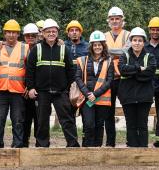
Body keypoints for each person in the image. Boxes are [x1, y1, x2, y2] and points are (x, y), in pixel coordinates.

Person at [26, 18, 80, 147]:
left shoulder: (63, 49)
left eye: (54, 31)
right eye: (48, 31)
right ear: (43, 33)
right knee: (42, 121)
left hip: (61, 92)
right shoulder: (36, 49)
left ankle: (73, 145)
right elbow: (30, 70)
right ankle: (42, 145)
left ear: (57, 33)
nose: (51, 34)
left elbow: (70, 71)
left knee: (67, 119)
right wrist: (31, 88)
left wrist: (69, 88)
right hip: (42, 92)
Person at [0, 19, 29, 148]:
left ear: (18, 34)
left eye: (14, 32)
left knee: (18, 120)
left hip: (18, 91)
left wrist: (29, 86)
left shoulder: (25, 47)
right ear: (4, 33)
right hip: (0, 90)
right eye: (8, 32)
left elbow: (30, 69)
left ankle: (17, 145)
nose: (11, 35)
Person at [118, 27, 156, 147]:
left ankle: (143, 149)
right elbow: (122, 70)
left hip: (144, 97)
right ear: (131, 41)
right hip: (127, 96)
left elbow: (150, 73)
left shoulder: (150, 56)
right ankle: (132, 148)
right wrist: (139, 68)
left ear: (144, 42)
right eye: (135, 40)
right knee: (131, 124)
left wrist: (132, 73)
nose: (137, 43)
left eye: (140, 40)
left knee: (142, 124)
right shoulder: (124, 55)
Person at [75, 30, 114, 147]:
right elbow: (78, 78)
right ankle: (87, 148)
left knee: (99, 125)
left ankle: (97, 150)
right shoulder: (83, 60)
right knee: (89, 124)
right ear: (91, 46)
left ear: (103, 46)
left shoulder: (109, 61)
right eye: (95, 45)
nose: (97, 47)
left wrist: (95, 94)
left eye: (99, 45)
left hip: (101, 99)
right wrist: (88, 94)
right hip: (87, 99)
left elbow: (109, 80)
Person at [104, 6, 130, 147]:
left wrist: (108, 51)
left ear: (122, 20)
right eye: (112, 19)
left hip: (124, 79)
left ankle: (130, 141)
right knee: (108, 113)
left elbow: (127, 52)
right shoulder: (104, 35)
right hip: (108, 79)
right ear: (109, 21)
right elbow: (101, 52)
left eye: (117, 19)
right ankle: (110, 143)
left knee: (128, 110)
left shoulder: (128, 35)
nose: (115, 21)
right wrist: (118, 52)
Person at [144, 17, 159, 147]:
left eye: (158, 30)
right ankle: (141, 140)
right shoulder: (144, 47)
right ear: (149, 31)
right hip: (146, 86)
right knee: (143, 113)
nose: (155, 32)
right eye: (153, 29)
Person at [22, 23, 39, 147]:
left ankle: (40, 142)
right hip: (23, 90)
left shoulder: (41, 48)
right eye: (28, 35)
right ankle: (23, 142)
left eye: (33, 35)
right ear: (24, 37)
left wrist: (33, 86)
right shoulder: (20, 48)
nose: (31, 38)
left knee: (39, 118)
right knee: (25, 119)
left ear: (38, 36)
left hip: (38, 89)